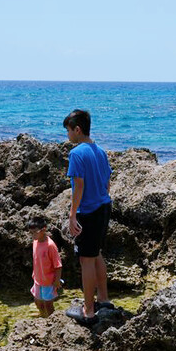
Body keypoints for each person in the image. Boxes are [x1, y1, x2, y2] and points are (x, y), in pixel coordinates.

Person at [63, 109, 114, 322]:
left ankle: (89, 310)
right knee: (96, 254)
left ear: (77, 129)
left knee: (86, 259)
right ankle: (103, 299)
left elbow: (79, 186)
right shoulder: (100, 151)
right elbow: (107, 181)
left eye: (68, 130)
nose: (67, 136)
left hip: (90, 211)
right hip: (104, 206)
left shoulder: (76, 154)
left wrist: (73, 214)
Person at [27, 216, 62, 317]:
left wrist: (57, 281)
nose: (33, 235)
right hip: (37, 279)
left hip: (48, 281)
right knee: (37, 301)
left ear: (43, 230)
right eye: (31, 233)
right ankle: (42, 316)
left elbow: (58, 265)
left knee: (48, 304)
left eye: (34, 232)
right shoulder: (35, 242)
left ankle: (51, 320)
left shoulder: (50, 245)